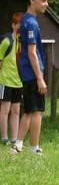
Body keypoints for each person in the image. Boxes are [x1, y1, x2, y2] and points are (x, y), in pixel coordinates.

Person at [10, 0, 49, 155]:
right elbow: (32, 53)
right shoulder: (31, 23)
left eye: (46, 1)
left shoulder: (25, 20)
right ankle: (34, 148)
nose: (45, 4)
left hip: (26, 72)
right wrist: (40, 78)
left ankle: (17, 145)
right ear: (32, 0)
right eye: (43, 1)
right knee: (37, 112)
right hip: (33, 73)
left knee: (29, 110)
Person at [0, 12, 23, 146]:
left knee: (16, 111)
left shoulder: (22, 42)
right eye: (18, 25)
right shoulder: (6, 41)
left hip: (18, 82)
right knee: (5, 110)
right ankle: (4, 139)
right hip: (5, 81)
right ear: (13, 25)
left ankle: (14, 139)